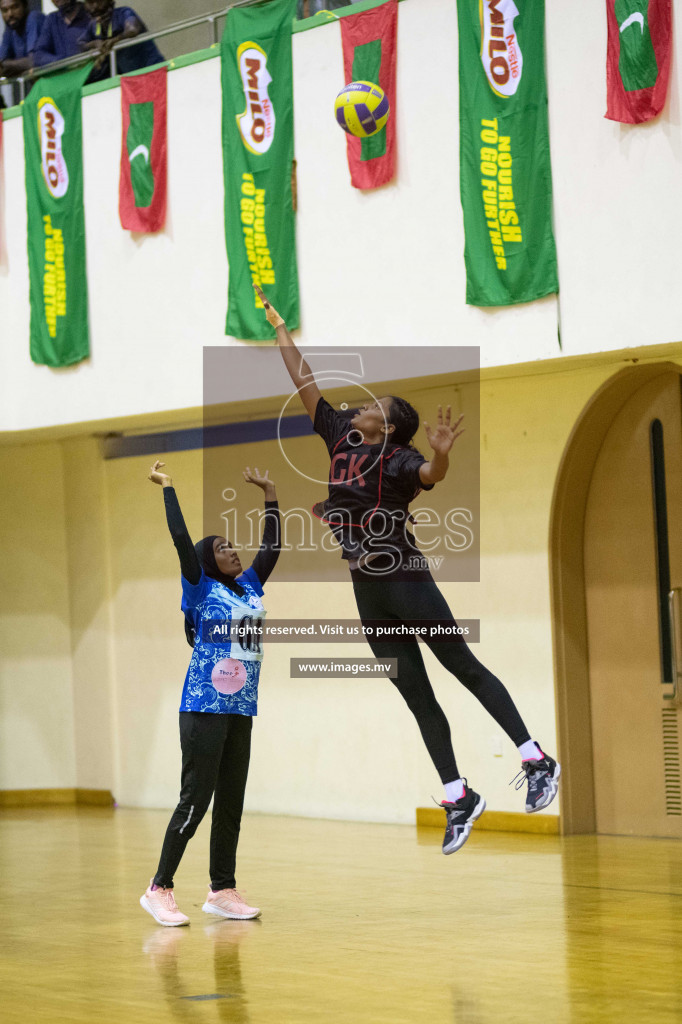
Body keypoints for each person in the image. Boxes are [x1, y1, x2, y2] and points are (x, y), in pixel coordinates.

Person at [255, 283, 561, 856]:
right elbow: (305, 382)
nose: (363, 406)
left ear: (389, 427)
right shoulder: (341, 432)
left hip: (406, 577)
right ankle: (458, 794)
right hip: (366, 589)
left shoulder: (400, 459)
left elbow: (432, 478)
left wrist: (442, 452)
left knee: (461, 666)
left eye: (376, 408)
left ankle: (536, 758)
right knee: (414, 693)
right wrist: (278, 327)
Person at [141, 460, 280, 926]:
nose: (233, 551)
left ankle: (222, 889)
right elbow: (182, 541)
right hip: (203, 706)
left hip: (241, 708)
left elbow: (272, 549)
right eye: (222, 548)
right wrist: (169, 488)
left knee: (232, 801)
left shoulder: (248, 588)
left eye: (232, 545)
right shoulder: (200, 589)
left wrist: (271, 495)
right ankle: (159, 888)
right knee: (195, 800)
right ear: (206, 562)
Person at [79, 0, 163, 79]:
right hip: (129, 77)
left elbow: (133, 29)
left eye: (98, 1)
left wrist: (115, 40)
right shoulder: (93, 25)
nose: (94, 7)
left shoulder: (124, 13)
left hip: (153, 69)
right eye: (90, 2)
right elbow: (81, 45)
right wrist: (94, 43)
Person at [33, 0, 92, 68]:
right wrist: (63, 62)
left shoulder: (91, 12)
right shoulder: (52, 19)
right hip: (67, 76)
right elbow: (38, 55)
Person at [0, 0, 45, 78]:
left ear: (25, 6)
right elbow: (1, 67)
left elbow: (34, 61)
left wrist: (6, 64)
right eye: (4, 10)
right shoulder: (10, 27)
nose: (10, 14)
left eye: (15, 7)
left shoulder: (34, 18)